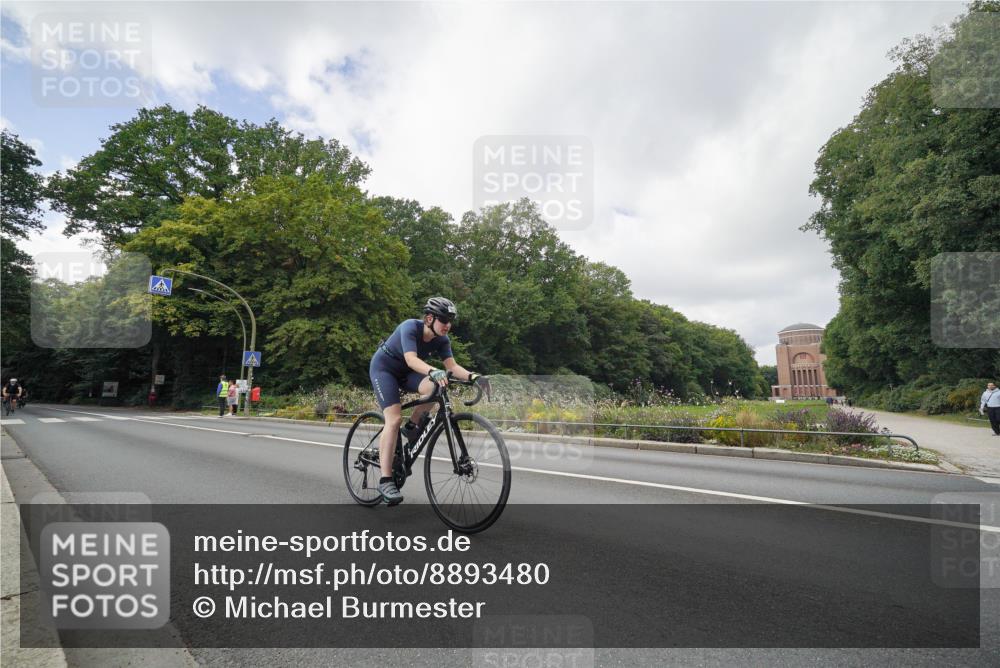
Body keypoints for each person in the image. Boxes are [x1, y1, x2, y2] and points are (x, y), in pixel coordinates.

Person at [368, 297, 486, 506]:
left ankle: (412, 426)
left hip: (406, 373)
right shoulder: (409, 327)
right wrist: (433, 370)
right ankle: (386, 480)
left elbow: (453, 366)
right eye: (444, 319)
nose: (448, 325)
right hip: (384, 369)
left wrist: (473, 377)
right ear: (429, 318)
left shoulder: (442, 340)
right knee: (393, 420)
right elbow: (411, 359)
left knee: (435, 387)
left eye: (451, 320)